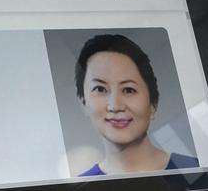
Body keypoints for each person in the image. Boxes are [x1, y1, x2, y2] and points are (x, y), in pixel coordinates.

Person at [74, 34, 199, 176]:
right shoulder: (80, 186)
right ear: (83, 103)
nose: (115, 106)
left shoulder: (198, 170)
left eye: (128, 90)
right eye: (100, 89)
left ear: (153, 104)